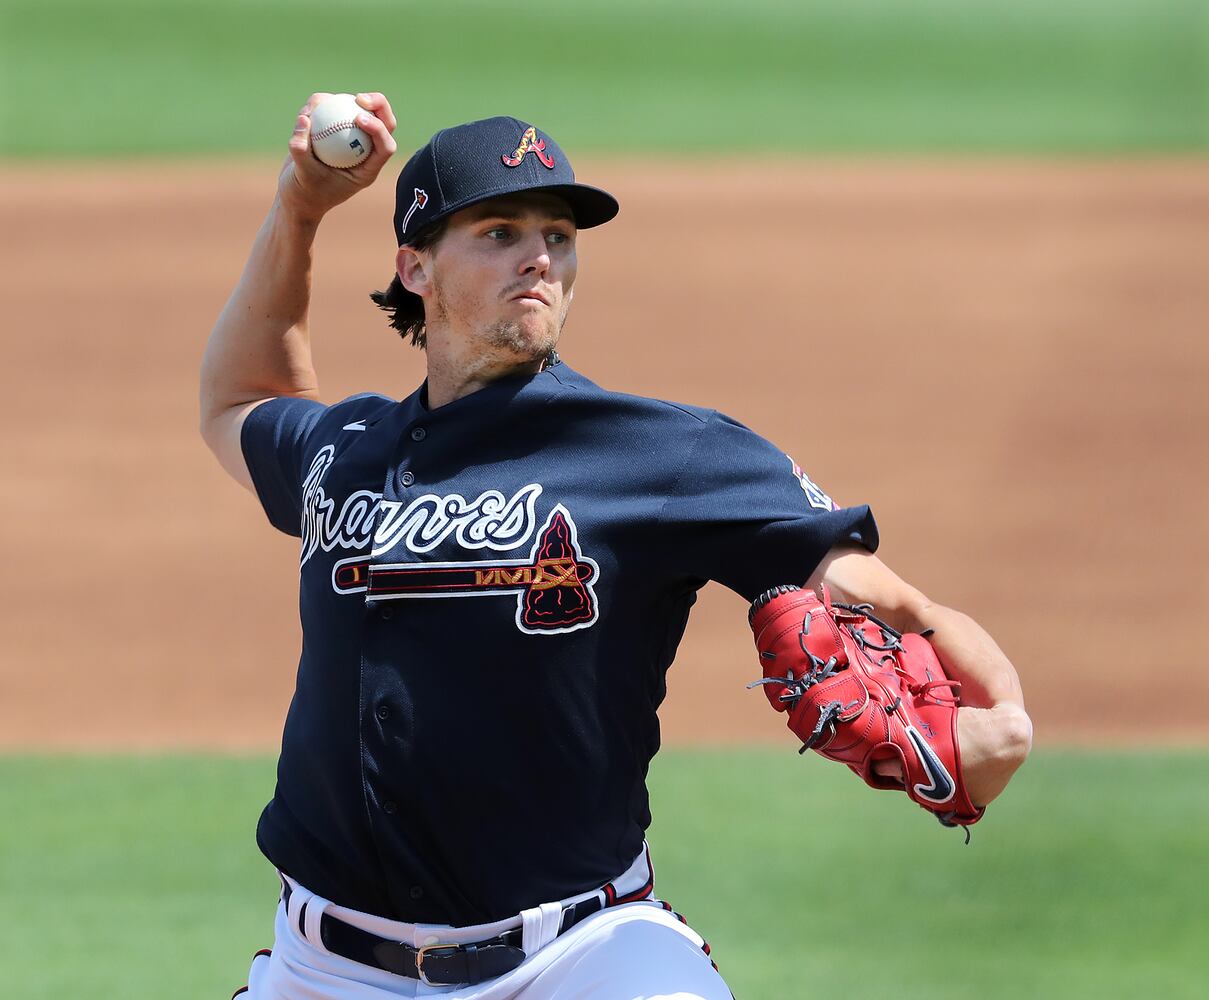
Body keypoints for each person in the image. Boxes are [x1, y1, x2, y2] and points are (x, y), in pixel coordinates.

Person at [200, 92, 1032, 1000]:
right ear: (416, 267)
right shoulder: (345, 451)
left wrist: (999, 721)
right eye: (499, 232)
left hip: (581, 954)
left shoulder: (665, 453)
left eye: (558, 236)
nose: (538, 257)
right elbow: (242, 398)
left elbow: (888, 600)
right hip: (326, 970)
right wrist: (300, 207)